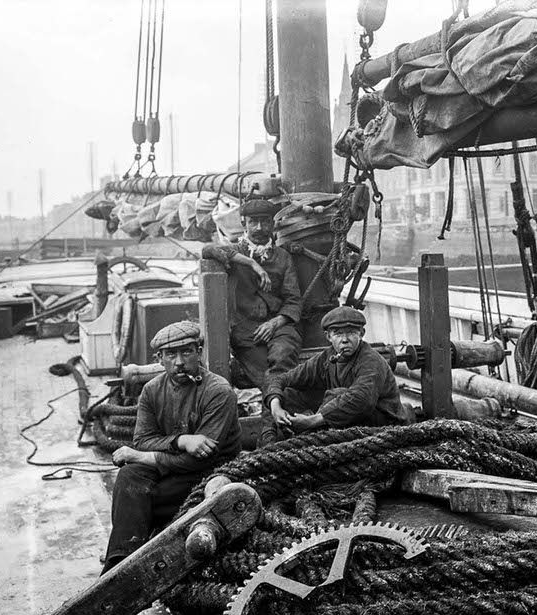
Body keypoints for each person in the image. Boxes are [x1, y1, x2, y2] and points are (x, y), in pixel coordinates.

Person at [102, 321, 241, 574]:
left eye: (186, 352)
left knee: (139, 502)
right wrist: (181, 440)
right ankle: (119, 563)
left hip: (209, 472)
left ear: (199, 353)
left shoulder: (218, 391)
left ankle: (128, 563)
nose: (179, 361)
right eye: (170, 354)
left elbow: (199, 460)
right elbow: (142, 440)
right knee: (129, 476)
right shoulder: (152, 390)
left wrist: (142, 456)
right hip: (173, 465)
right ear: (159, 359)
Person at [202, 198, 303, 444]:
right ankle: (273, 434)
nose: (259, 227)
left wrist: (276, 323)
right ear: (244, 225)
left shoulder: (283, 257)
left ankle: (268, 437)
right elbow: (208, 250)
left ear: (272, 225)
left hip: (280, 327)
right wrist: (252, 264)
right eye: (253, 222)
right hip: (246, 332)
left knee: (282, 359)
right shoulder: (235, 251)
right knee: (268, 375)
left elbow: (293, 300)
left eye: (264, 221)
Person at [264, 306, 411, 439]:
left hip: (384, 424)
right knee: (289, 393)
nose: (345, 340)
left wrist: (312, 421)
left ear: (362, 333)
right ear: (328, 336)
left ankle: (310, 436)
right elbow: (281, 379)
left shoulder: (371, 360)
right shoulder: (327, 357)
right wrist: (276, 407)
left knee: (336, 394)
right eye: (338, 334)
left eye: (351, 333)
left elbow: (361, 399)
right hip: (351, 420)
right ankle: (271, 439)